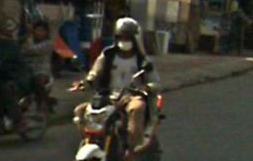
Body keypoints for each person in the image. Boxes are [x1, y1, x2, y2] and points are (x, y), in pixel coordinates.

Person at [73, 17, 161, 154]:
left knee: (137, 108)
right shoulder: (108, 55)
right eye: (121, 37)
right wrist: (86, 83)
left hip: (132, 96)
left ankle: (132, 145)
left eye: (127, 38)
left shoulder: (143, 60)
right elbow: (95, 73)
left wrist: (147, 87)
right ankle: (91, 138)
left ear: (135, 39)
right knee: (81, 110)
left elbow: (156, 82)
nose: (124, 41)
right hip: (109, 95)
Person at [21, 19, 53, 112]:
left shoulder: (48, 43)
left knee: (39, 80)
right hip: (27, 69)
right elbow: (22, 51)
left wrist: (29, 39)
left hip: (41, 69)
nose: (39, 33)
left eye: (42, 31)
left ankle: (43, 103)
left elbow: (32, 50)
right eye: (37, 30)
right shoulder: (28, 41)